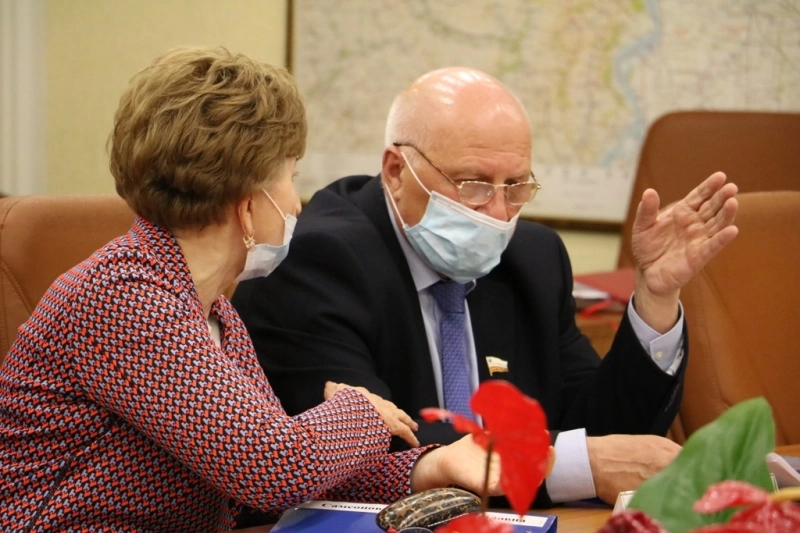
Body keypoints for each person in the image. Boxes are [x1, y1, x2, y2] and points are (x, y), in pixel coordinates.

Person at [0, 51, 527, 532]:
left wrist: (431, 466)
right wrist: (362, 411)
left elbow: (275, 479)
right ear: (248, 203)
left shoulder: (214, 313)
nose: (296, 204)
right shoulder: (123, 296)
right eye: (290, 177)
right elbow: (274, 471)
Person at [232, 67, 740, 506]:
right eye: (473, 185)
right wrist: (567, 464)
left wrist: (655, 297)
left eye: (516, 186)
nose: (498, 213)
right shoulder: (320, 259)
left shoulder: (533, 258)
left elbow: (610, 437)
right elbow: (367, 448)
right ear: (396, 171)